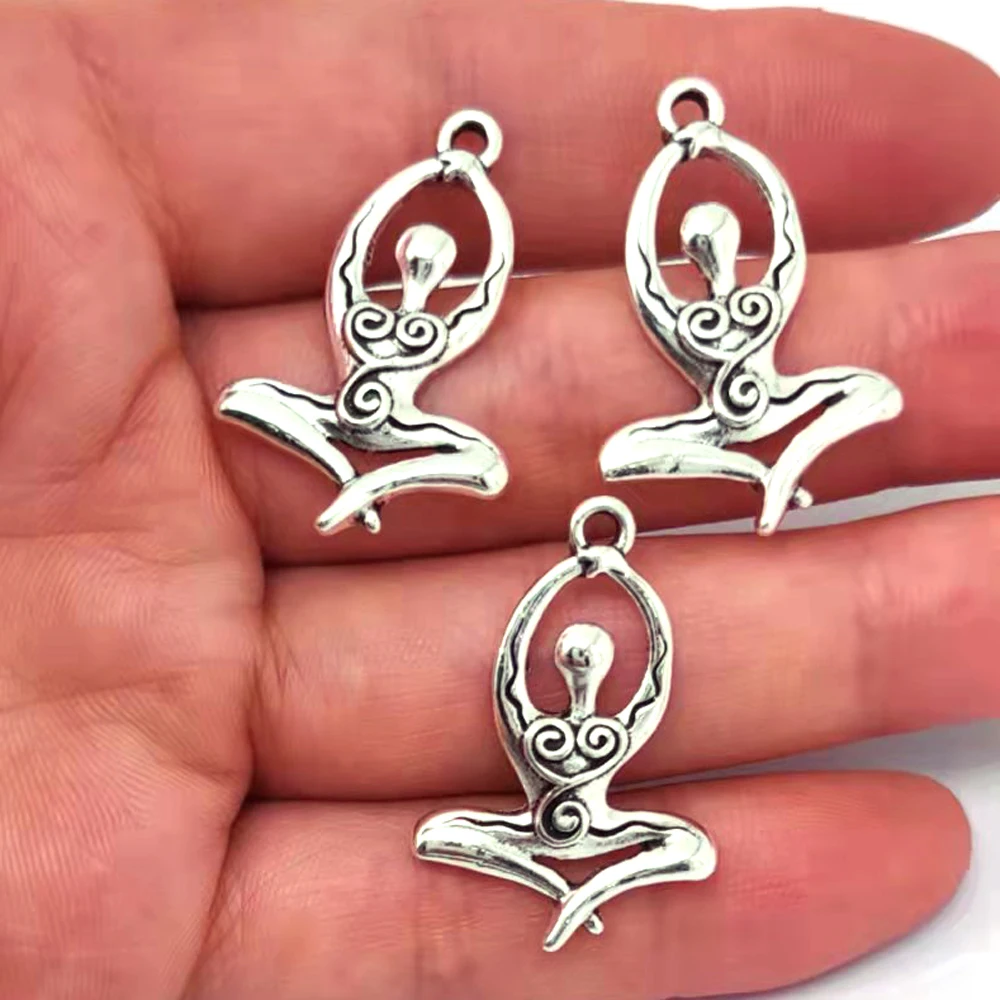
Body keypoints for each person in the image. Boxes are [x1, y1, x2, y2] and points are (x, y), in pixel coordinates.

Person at [0, 0, 996, 997]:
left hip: (602, 488)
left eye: (431, 308)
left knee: (499, 468)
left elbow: (636, 686)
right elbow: (387, 302)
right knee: (416, 432)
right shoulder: (360, 357)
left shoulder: (764, 377)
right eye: (388, 302)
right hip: (447, 471)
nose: (407, 313)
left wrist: (607, 567)